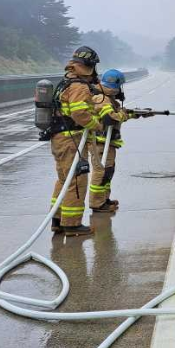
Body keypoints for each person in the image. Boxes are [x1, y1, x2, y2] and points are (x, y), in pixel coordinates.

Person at [49, 46, 101, 237]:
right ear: (88, 66)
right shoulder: (78, 86)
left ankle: (57, 220)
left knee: (64, 180)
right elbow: (79, 112)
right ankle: (72, 225)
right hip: (71, 138)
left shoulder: (65, 82)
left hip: (59, 138)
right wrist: (95, 124)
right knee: (77, 180)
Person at [88, 69, 133, 213]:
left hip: (107, 143)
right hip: (100, 143)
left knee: (108, 171)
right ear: (116, 85)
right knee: (101, 173)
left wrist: (138, 113)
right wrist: (123, 115)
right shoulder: (101, 98)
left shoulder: (107, 97)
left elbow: (116, 114)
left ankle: (104, 199)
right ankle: (97, 203)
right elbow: (109, 118)